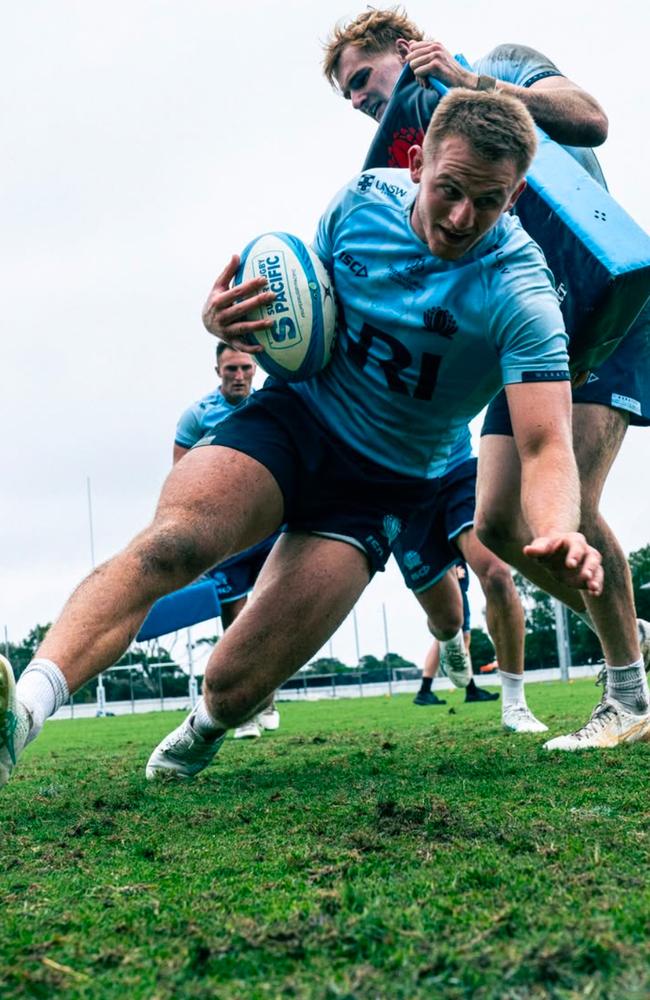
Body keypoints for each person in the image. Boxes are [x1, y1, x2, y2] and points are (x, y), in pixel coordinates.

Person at [0, 88, 608, 790]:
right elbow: (298, 316)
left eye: (489, 201)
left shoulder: (523, 291)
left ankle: (206, 724)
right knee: (175, 543)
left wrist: (560, 527)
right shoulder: (358, 206)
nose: (463, 217)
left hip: (382, 483)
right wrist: (229, 321)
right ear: (415, 163)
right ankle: (21, 715)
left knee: (232, 684)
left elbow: (543, 444)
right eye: (449, 190)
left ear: (517, 193)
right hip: (297, 420)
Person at [323, 9, 650, 748]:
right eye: (345, 96)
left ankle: (629, 695)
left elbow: (592, 119)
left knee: (571, 504)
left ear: (407, 50)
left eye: (361, 80)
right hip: (522, 335)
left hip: (601, 308)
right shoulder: (413, 145)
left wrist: (473, 82)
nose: (356, 101)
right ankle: (631, 629)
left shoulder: (503, 62)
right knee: (502, 522)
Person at [175, 341, 280, 739]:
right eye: (231, 369)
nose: (239, 376)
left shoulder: (271, 404)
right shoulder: (197, 417)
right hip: (229, 540)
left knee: (269, 615)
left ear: (256, 369)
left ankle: (266, 701)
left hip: (270, 530)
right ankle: (248, 711)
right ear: (217, 370)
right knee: (236, 624)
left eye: (245, 369)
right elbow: (180, 477)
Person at [413, 564, 499, 706]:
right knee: (462, 638)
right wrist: (451, 570)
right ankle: (470, 690)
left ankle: (425, 690)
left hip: (450, 584)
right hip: (454, 588)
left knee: (443, 638)